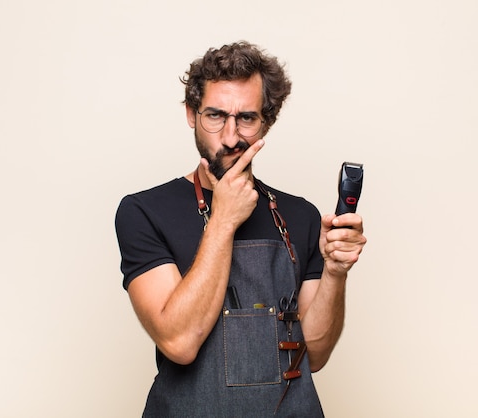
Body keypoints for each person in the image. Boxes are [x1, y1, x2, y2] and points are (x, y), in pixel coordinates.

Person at [115, 41, 366, 417]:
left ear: (266, 121)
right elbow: (179, 342)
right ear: (190, 113)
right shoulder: (144, 211)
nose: (231, 138)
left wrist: (334, 272)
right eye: (215, 116)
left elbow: (315, 352)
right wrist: (223, 219)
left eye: (246, 118)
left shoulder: (301, 215)